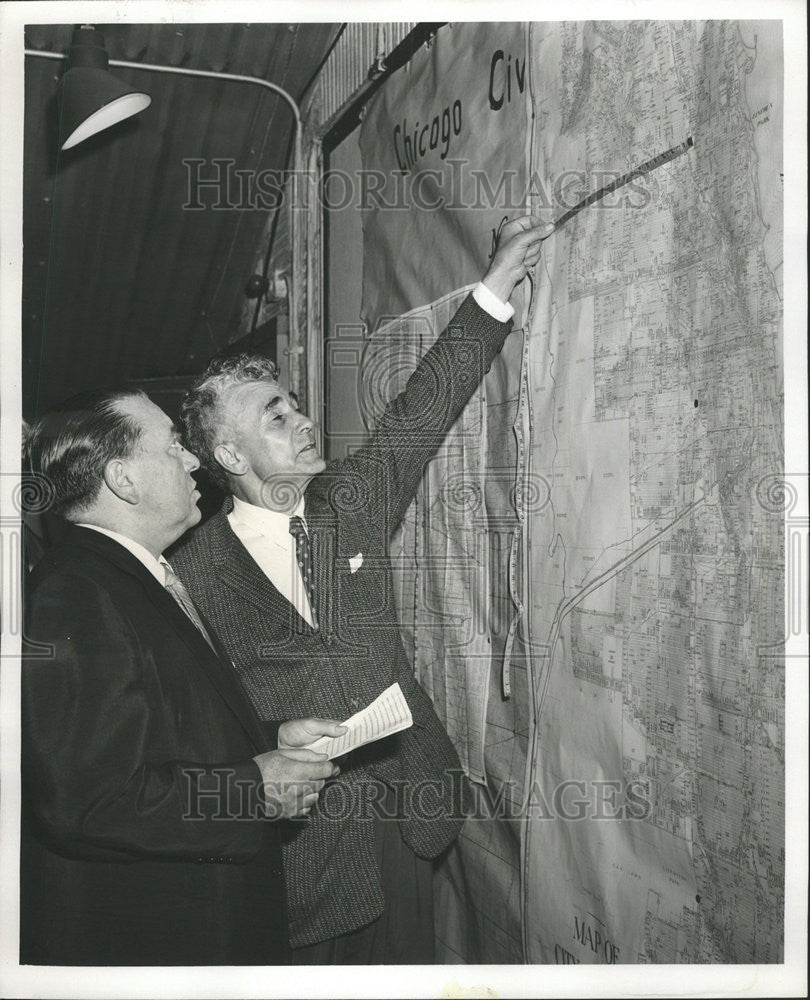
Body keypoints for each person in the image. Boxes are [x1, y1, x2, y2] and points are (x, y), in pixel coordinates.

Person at [172, 216, 553, 963]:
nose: (304, 420)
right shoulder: (194, 573)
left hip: (408, 815)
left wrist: (498, 284)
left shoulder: (350, 505)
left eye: (295, 403)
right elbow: (199, 730)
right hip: (307, 857)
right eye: (275, 416)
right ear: (228, 454)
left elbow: (421, 413)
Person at [21, 388, 345, 966]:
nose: (193, 459)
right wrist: (253, 788)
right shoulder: (74, 594)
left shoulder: (133, 575)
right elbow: (88, 800)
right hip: (166, 942)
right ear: (123, 479)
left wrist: (269, 739)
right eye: (172, 446)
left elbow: (160, 734)